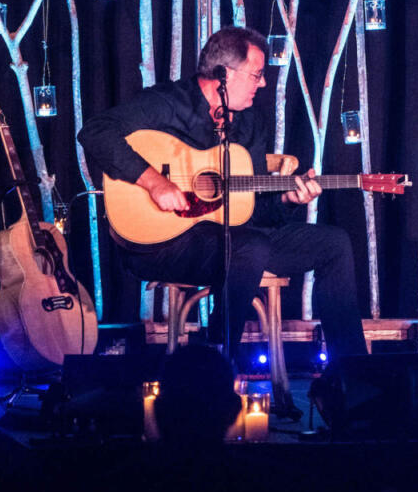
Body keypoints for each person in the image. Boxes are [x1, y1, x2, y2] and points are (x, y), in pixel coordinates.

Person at [79, 26, 367, 367]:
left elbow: (253, 212)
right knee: (249, 247)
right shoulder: (168, 104)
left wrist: (289, 199)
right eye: (257, 75)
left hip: (236, 241)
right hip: (164, 243)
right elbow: (95, 132)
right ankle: (218, 358)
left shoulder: (250, 124)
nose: (263, 84)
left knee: (332, 243)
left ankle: (352, 372)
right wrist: (154, 182)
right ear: (225, 74)